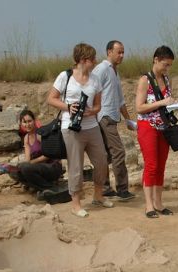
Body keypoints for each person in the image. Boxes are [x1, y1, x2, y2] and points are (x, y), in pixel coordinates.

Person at [46, 43, 113, 218]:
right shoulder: (65, 76)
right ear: (83, 60)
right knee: (75, 165)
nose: (95, 61)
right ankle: (76, 204)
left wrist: (93, 111)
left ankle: (98, 196)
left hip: (92, 126)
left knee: (102, 161)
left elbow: (98, 104)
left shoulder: (95, 79)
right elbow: (51, 99)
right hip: (71, 127)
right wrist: (69, 107)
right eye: (92, 59)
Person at [135, 45, 177, 218]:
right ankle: (149, 205)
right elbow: (139, 107)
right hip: (147, 126)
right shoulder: (145, 80)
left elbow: (166, 102)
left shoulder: (167, 80)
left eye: (169, 66)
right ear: (156, 60)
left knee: (161, 165)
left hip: (163, 126)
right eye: (165, 64)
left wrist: (172, 103)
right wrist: (161, 103)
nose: (167, 68)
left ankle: (159, 203)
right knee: (151, 165)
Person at [93, 40, 137, 202]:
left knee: (105, 155)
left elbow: (120, 100)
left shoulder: (114, 71)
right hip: (104, 117)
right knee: (118, 152)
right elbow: (91, 90)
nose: (122, 55)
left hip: (110, 117)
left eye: (123, 52)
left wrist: (128, 120)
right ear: (109, 51)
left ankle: (105, 188)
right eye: (119, 52)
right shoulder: (102, 69)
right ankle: (122, 190)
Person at [8, 109, 64, 196]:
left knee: (26, 168)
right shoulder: (26, 138)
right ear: (21, 124)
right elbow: (27, 160)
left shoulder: (39, 134)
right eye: (24, 122)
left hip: (53, 167)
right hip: (39, 167)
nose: (27, 124)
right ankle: (40, 187)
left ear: (34, 121)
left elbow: (49, 155)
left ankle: (50, 188)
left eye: (29, 121)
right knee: (14, 171)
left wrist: (31, 163)